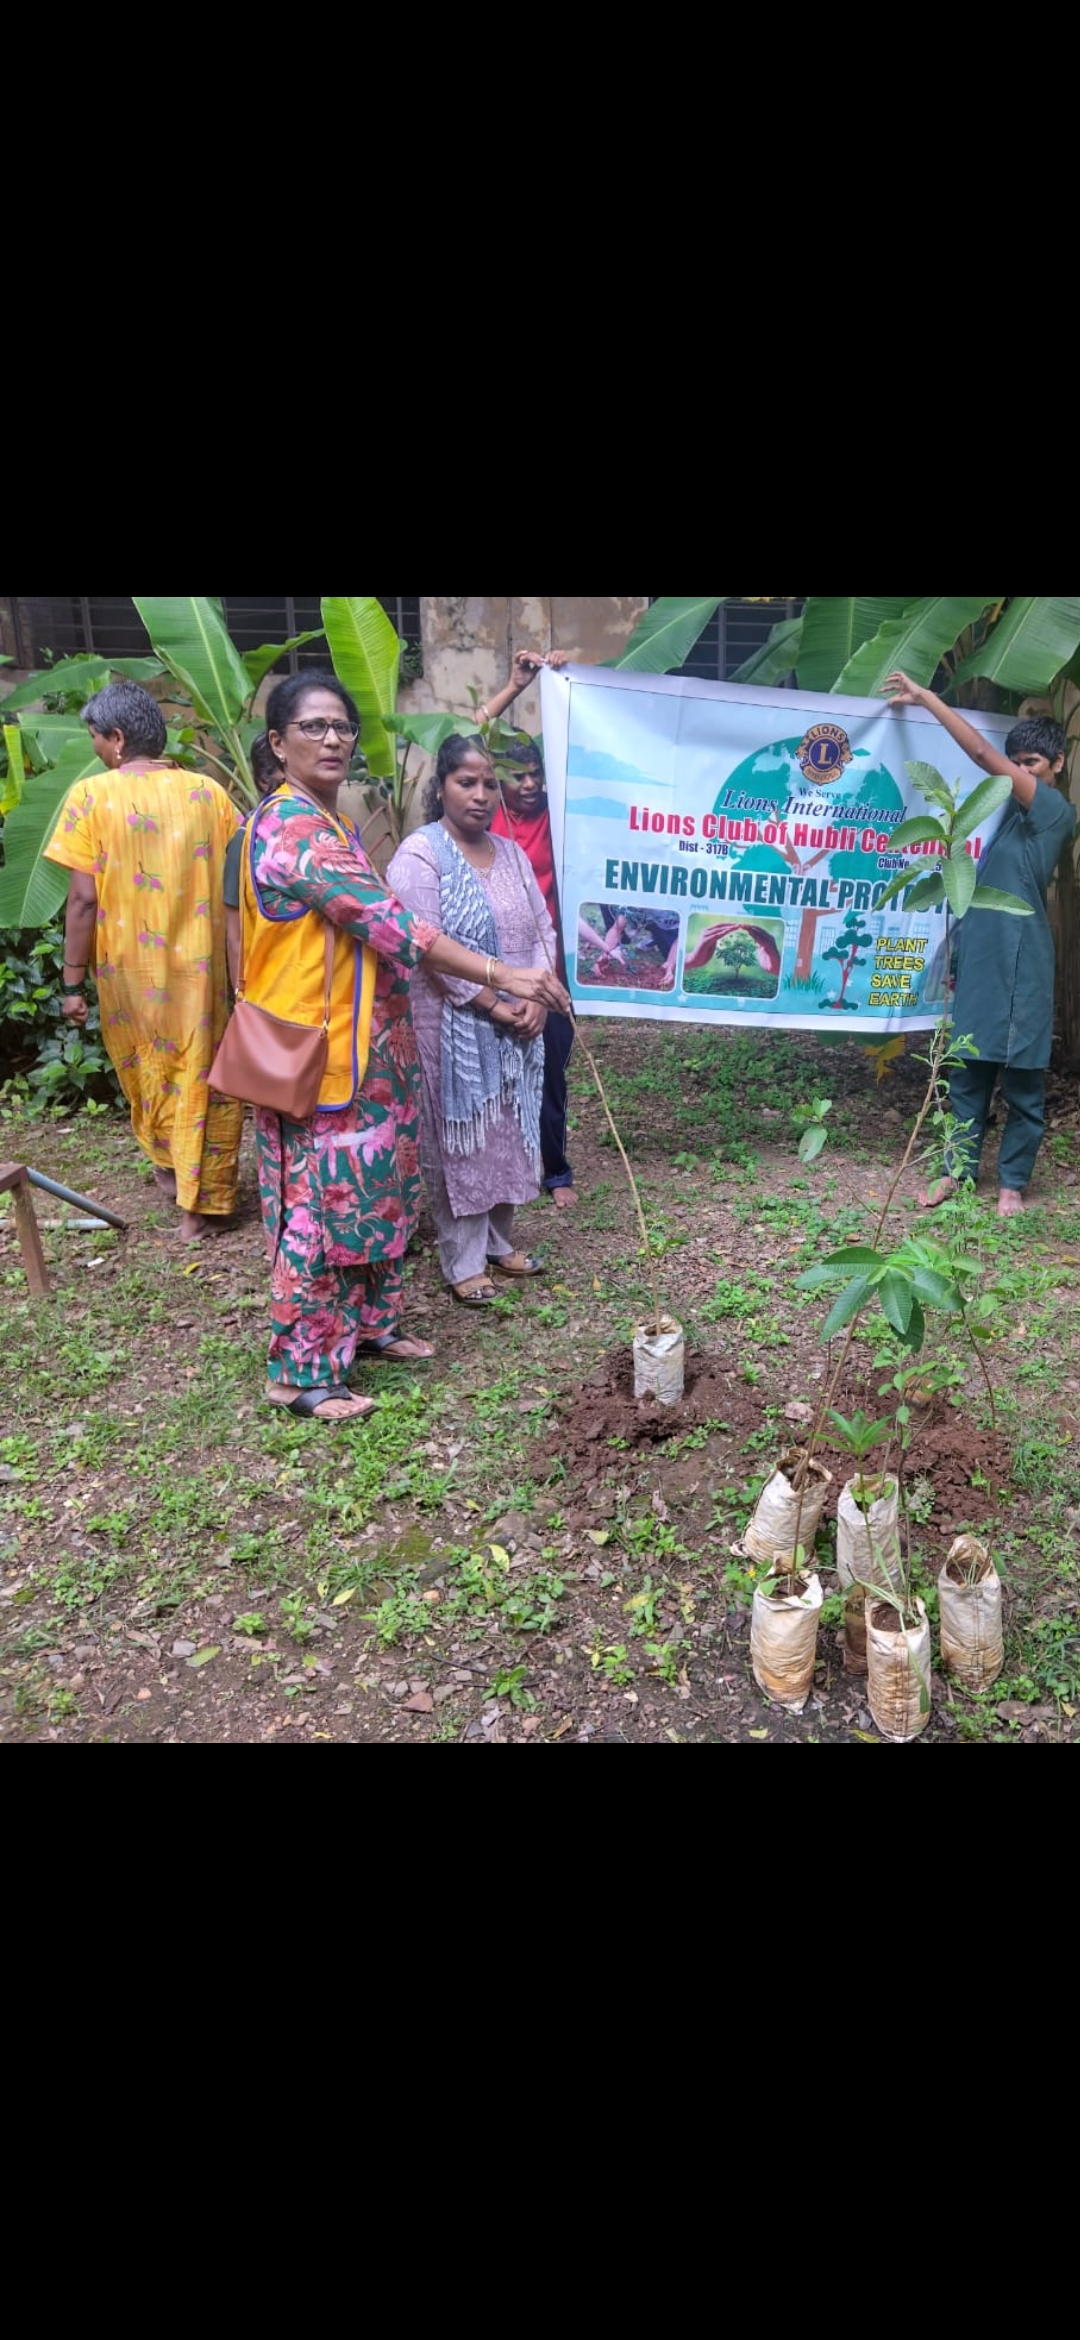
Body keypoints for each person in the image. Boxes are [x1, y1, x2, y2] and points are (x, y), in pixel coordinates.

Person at [241, 677, 568, 1417]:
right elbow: (391, 925)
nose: (333, 740)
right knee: (318, 1211)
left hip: (370, 1052)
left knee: (375, 1196)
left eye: (343, 728)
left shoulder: (331, 822)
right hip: (318, 1057)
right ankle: (300, 1371)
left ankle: (367, 1329)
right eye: (314, 727)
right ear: (278, 742)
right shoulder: (291, 829)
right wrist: (499, 973)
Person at [44, 681, 243, 1242]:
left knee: (147, 1070)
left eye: (94, 739)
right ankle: (198, 1200)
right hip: (204, 975)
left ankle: (173, 1178)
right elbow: (237, 887)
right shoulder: (210, 793)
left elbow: (83, 900)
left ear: (116, 737)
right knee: (201, 1074)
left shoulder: (91, 797)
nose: (93, 750)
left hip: (130, 975)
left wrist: (72, 981)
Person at [882, 671, 1076, 1215]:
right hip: (983, 962)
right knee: (966, 1074)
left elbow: (981, 755)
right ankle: (955, 1173)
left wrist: (927, 698)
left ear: (1056, 765)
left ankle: (1012, 1183)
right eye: (1017, 762)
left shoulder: (1054, 812)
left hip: (1025, 962)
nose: (1018, 772)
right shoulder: (1008, 818)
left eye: (1029, 764)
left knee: (1023, 1085)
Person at [388, 736, 558, 1306]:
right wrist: (492, 1002)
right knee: (463, 1139)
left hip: (518, 1022)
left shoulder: (509, 853)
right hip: (451, 1024)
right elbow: (425, 946)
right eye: (467, 782)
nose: (481, 795)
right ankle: (461, 1262)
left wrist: (534, 998)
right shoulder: (420, 855)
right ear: (441, 787)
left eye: (490, 783)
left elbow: (543, 929)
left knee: (510, 1131)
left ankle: (498, 1243)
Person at [482, 652, 578, 1208]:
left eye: (537, 773)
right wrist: (516, 686)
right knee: (494, 1073)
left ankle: (556, 1170)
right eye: (518, 775)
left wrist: (569, 684)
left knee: (551, 1076)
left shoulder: (559, 811)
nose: (530, 783)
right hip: (493, 964)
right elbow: (478, 733)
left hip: (552, 963)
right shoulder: (488, 813)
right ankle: (502, 1165)